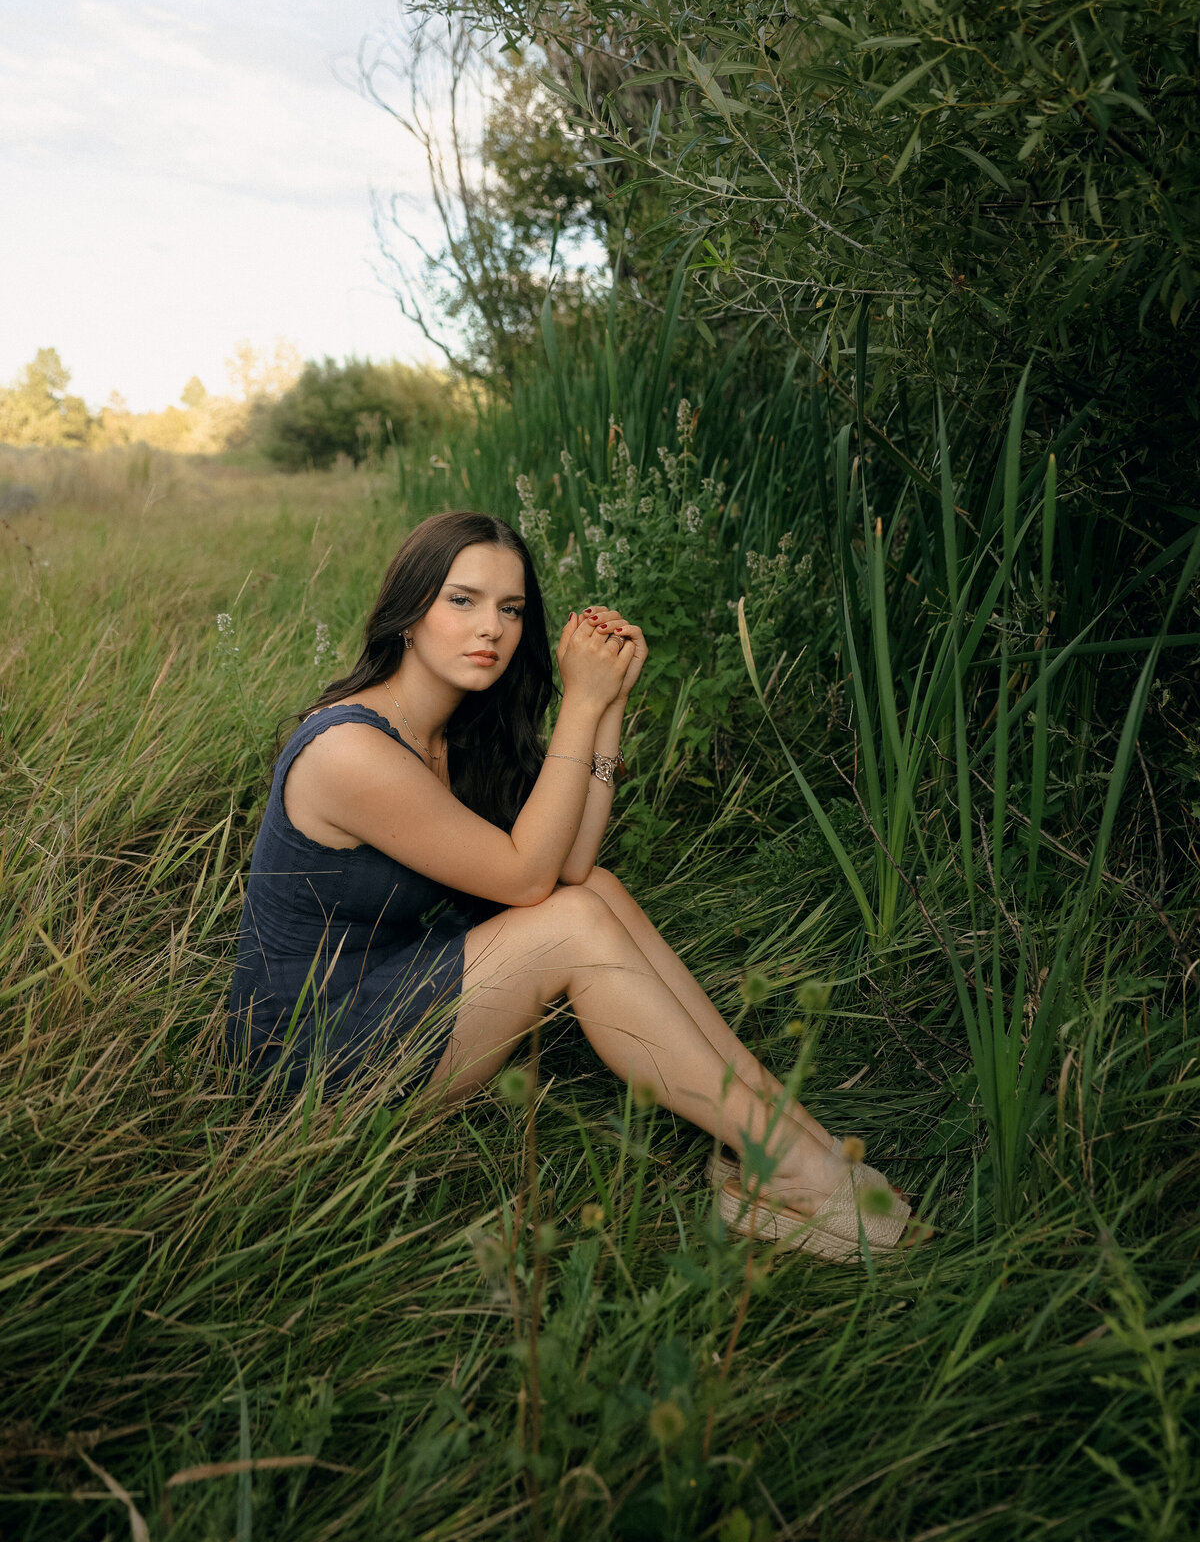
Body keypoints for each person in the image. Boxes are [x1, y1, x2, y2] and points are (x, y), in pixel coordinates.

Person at [226, 510, 913, 1259]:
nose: (491, 627)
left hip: (383, 991)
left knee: (597, 895)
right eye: (463, 600)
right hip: (308, 1063)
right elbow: (528, 881)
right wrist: (579, 704)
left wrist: (608, 705)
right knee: (573, 927)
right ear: (409, 613)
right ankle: (794, 1169)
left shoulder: (450, 736)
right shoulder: (349, 750)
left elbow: (572, 866)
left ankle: (781, 1134)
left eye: (511, 609)